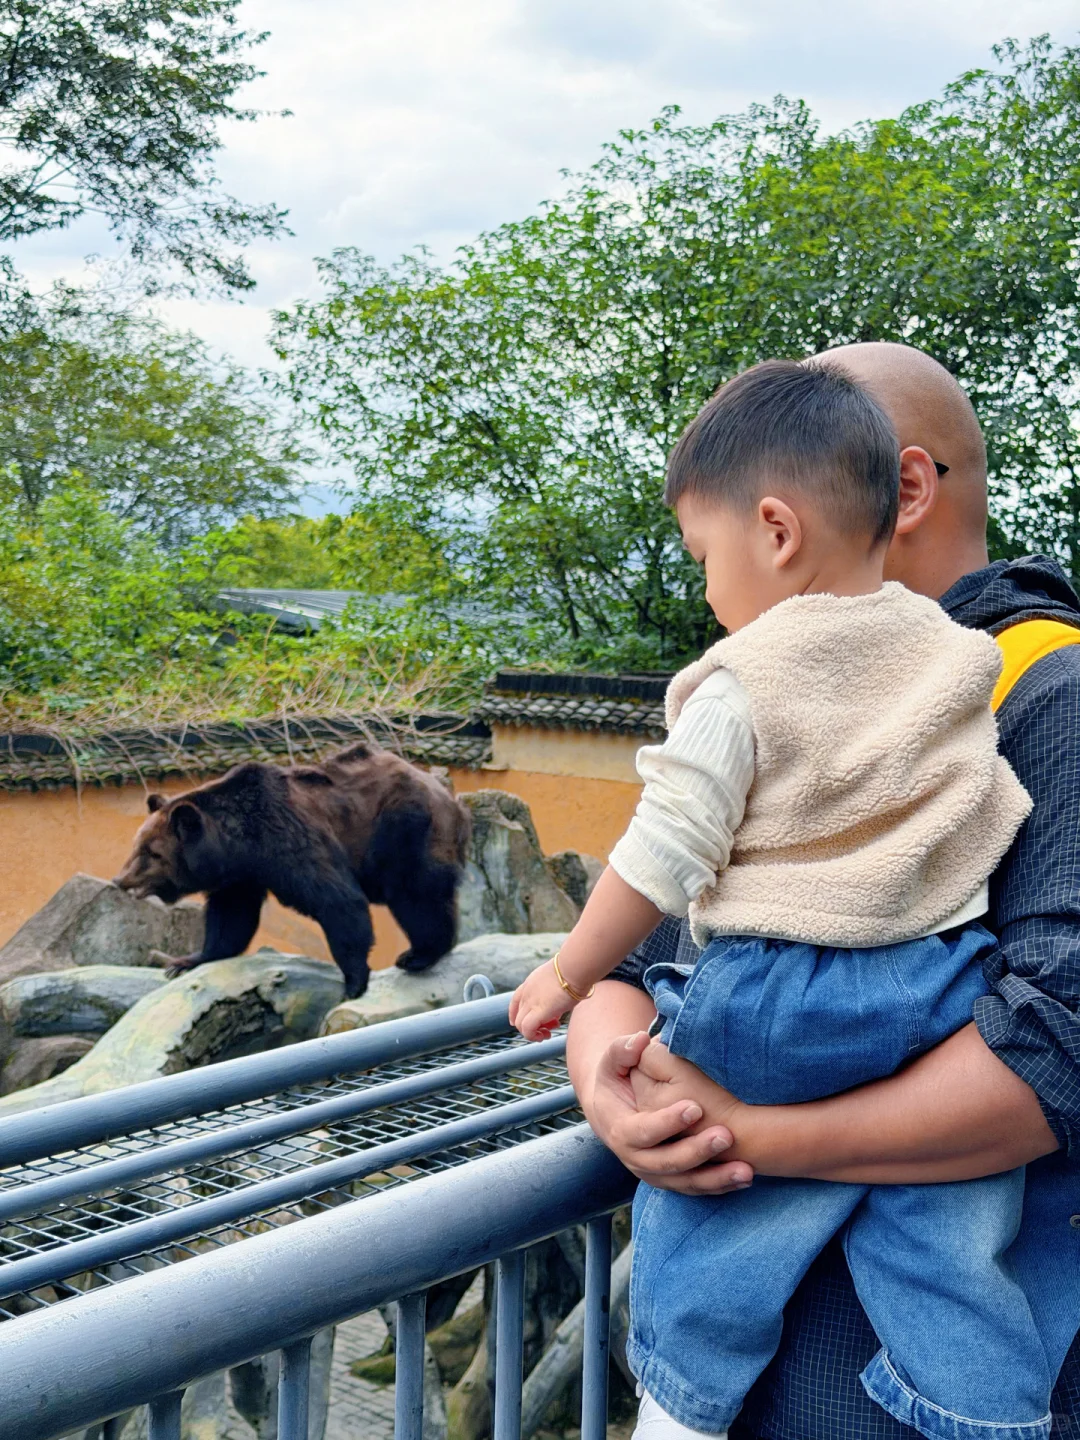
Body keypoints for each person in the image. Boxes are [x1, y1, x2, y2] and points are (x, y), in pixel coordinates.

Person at [510, 356, 1054, 1440]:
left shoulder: (750, 681)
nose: (706, 589)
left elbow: (661, 871)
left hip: (780, 1002)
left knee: (702, 1249)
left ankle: (676, 1404)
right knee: (947, 1251)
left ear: (777, 528)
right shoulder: (961, 665)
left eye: (704, 555)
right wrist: (611, 1078)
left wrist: (572, 981)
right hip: (937, 984)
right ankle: (985, 1415)